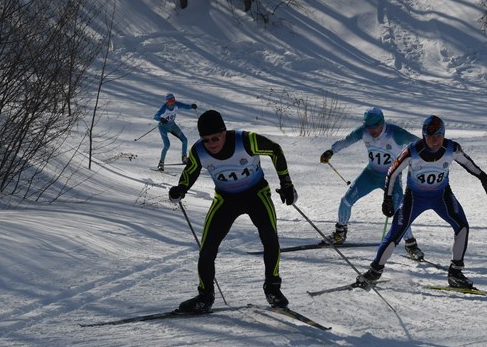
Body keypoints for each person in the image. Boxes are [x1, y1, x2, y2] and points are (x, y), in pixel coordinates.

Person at [168, 110, 298, 314]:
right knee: (207, 248)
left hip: (257, 195)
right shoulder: (199, 150)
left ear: (224, 132)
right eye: (206, 139)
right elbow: (191, 170)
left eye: (215, 138)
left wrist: (286, 183)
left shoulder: (246, 140)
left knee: (270, 237)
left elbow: (275, 150)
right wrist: (180, 189)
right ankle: (205, 296)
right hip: (226, 199)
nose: (211, 143)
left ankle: (272, 289)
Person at [355, 115, 487, 289]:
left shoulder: (452, 148)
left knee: (462, 226)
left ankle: (455, 273)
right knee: (395, 234)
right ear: (423, 136)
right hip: (414, 198)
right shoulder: (412, 151)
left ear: (443, 134)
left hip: (441, 196)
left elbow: (468, 163)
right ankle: (374, 272)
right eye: (429, 136)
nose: (434, 140)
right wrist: (388, 198)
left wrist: (484, 178)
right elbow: (392, 173)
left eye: (438, 135)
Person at [320, 106, 424, 260]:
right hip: (370, 174)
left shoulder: (396, 133)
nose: (371, 131)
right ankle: (339, 234)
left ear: (382, 123)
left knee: (399, 210)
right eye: (368, 127)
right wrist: (331, 151)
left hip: (392, 177)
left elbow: (420, 144)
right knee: (346, 201)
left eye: (374, 127)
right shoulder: (363, 131)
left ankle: (411, 245)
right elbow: (347, 140)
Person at [153, 93, 197, 171]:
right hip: (163, 128)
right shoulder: (164, 107)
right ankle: (161, 163)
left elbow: (185, 106)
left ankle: (184, 157)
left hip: (172, 126)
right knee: (167, 145)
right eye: (170, 100)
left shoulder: (176, 105)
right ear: (167, 101)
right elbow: (155, 116)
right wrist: (161, 119)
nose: (172, 102)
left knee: (185, 140)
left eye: (173, 100)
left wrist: (191, 106)